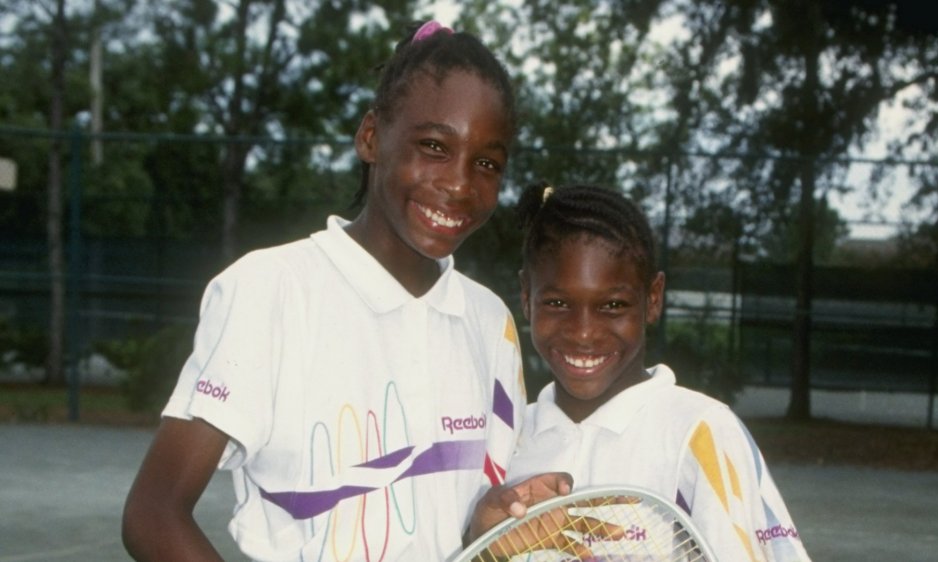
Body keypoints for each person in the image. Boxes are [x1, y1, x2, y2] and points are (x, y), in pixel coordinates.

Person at [121, 21, 569, 562]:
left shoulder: (489, 320)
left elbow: (472, 528)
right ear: (371, 137)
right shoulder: (271, 289)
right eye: (433, 146)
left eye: (486, 163)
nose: (458, 183)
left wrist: (490, 521)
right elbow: (154, 513)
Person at [507, 182, 811, 561]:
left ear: (652, 299)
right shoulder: (508, 437)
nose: (583, 333)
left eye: (613, 305)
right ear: (525, 297)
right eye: (557, 302)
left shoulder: (700, 432)